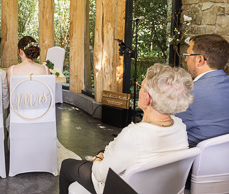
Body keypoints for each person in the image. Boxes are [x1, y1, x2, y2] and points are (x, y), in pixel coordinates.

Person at [59, 64, 193, 194]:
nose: (139, 89)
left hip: (116, 188)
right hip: (159, 187)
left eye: (141, 87)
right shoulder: (179, 126)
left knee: (67, 165)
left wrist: (98, 159)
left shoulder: (134, 135)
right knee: (103, 150)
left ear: (147, 99)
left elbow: (100, 175)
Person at [176, 34, 229, 147]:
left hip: (192, 160)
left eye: (188, 55)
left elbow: (167, 130)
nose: (186, 59)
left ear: (199, 60)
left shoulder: (186, 93)